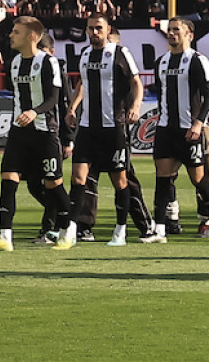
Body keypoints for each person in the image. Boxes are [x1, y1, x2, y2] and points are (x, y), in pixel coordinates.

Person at [0, 16, 74, 251]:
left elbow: (54, 98)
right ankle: (5, 237)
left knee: (53, 183)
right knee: (8, 178)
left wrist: (34, 112)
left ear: (31, 36)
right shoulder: (14, 62)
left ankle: (69, 229)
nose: (10, 36)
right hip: (19, 132)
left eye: (16, 32)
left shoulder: (48, 62)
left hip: (44, 131)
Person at [65, 14, 150, 247]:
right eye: (91, 28)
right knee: (78, 177)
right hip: (87, 127)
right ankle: (71, 229)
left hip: (114, 127)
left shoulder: (120, 53)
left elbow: (136, 82)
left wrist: (135, 106)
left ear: (107, 29)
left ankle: (120, 229)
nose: (94, 32)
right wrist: (72, 108)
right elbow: (82, 84)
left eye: (99, 28)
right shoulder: (84, 55)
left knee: (120, 181)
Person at [146, 17, 209, 243]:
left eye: (176, 30)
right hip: (166, 129)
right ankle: (159, 228)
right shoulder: (161, 61)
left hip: (189, 130)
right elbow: (161, 94)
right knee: (162, 179)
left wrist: (199, 123)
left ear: (189, 34)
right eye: (169, 30)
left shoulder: (197, 60)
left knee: (198, 179)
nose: (171, 34)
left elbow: (208, 95)